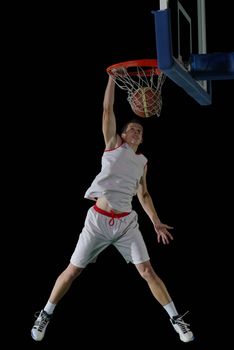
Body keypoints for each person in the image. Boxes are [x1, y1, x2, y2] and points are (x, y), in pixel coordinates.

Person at [31, 74, 194, 343]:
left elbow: (143, 193)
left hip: (126, 224)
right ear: (121, 134)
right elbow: (107, 110)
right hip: (98, 220)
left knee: (148, 271)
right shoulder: (112, 146)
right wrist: (111, 80)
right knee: (73, 270)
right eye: (132, 129)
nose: (137, 133)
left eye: (140, 132)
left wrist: (155, 221)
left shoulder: (143, 162)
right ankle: (45, 314)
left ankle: (176, 319)